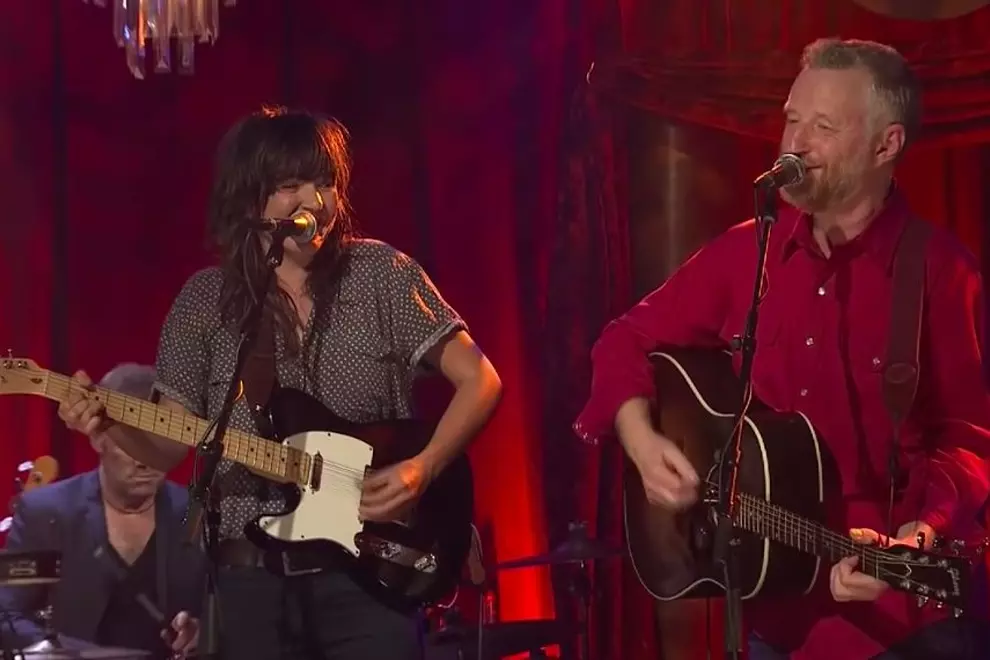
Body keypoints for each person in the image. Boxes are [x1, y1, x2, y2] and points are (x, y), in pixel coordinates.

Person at [573, 38, 990, 660]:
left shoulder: (941, 272)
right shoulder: (748, 251)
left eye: (823, 127)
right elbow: (623, 339)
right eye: (793, 119)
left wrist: (922, 534)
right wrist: (640, 438)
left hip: (907, 621)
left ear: (886, 145)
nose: (795, 143)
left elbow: (969, 438)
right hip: (774, 612)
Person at [58, 106, 503, 660]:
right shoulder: (204, 302)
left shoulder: (381, 274)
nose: (314, 201)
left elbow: (481, 380)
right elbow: (171, 441)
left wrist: (423, 467)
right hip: (251, 584)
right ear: (250, 200)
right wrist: (109, 425)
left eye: (325, 184)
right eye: (291, 185)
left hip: (373, 573)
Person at [0, 363, 203, 659]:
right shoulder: (46, 513)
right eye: (132, 442)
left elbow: (231, 612)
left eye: (157, 444)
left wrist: (203, 632)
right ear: (97, 438)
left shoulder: (196, 514)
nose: (145, 461)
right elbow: (7, 614)